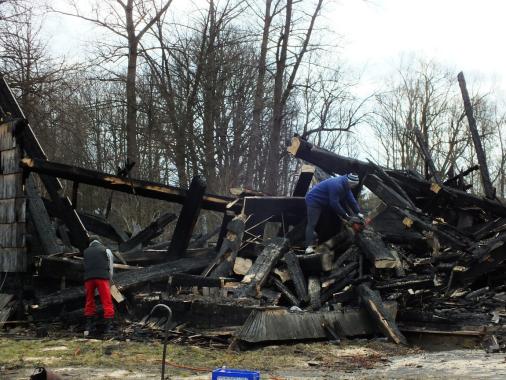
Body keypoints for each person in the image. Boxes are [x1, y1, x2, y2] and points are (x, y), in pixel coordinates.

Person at [305, 173, 363, 253]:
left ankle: (322, 244)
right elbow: (334, 203)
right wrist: (346, 216)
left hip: (325, 202)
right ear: (350, 183)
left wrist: (359, 213)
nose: (354, 187)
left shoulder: (347, 187)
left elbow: (352, 201)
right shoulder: (337, 185)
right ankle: (309, 246)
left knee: (326, 223)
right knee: (312, 223)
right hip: (314, 200)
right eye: (354, 185)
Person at [83, 235, 114, 336]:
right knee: (106, 301)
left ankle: (88, 327)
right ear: (99, 241)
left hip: (89, 278)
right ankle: (108, 328)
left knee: (89, 300)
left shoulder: (86, 252)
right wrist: (109, 278)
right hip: (102, 277)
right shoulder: (106, 250)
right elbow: (110, 266)